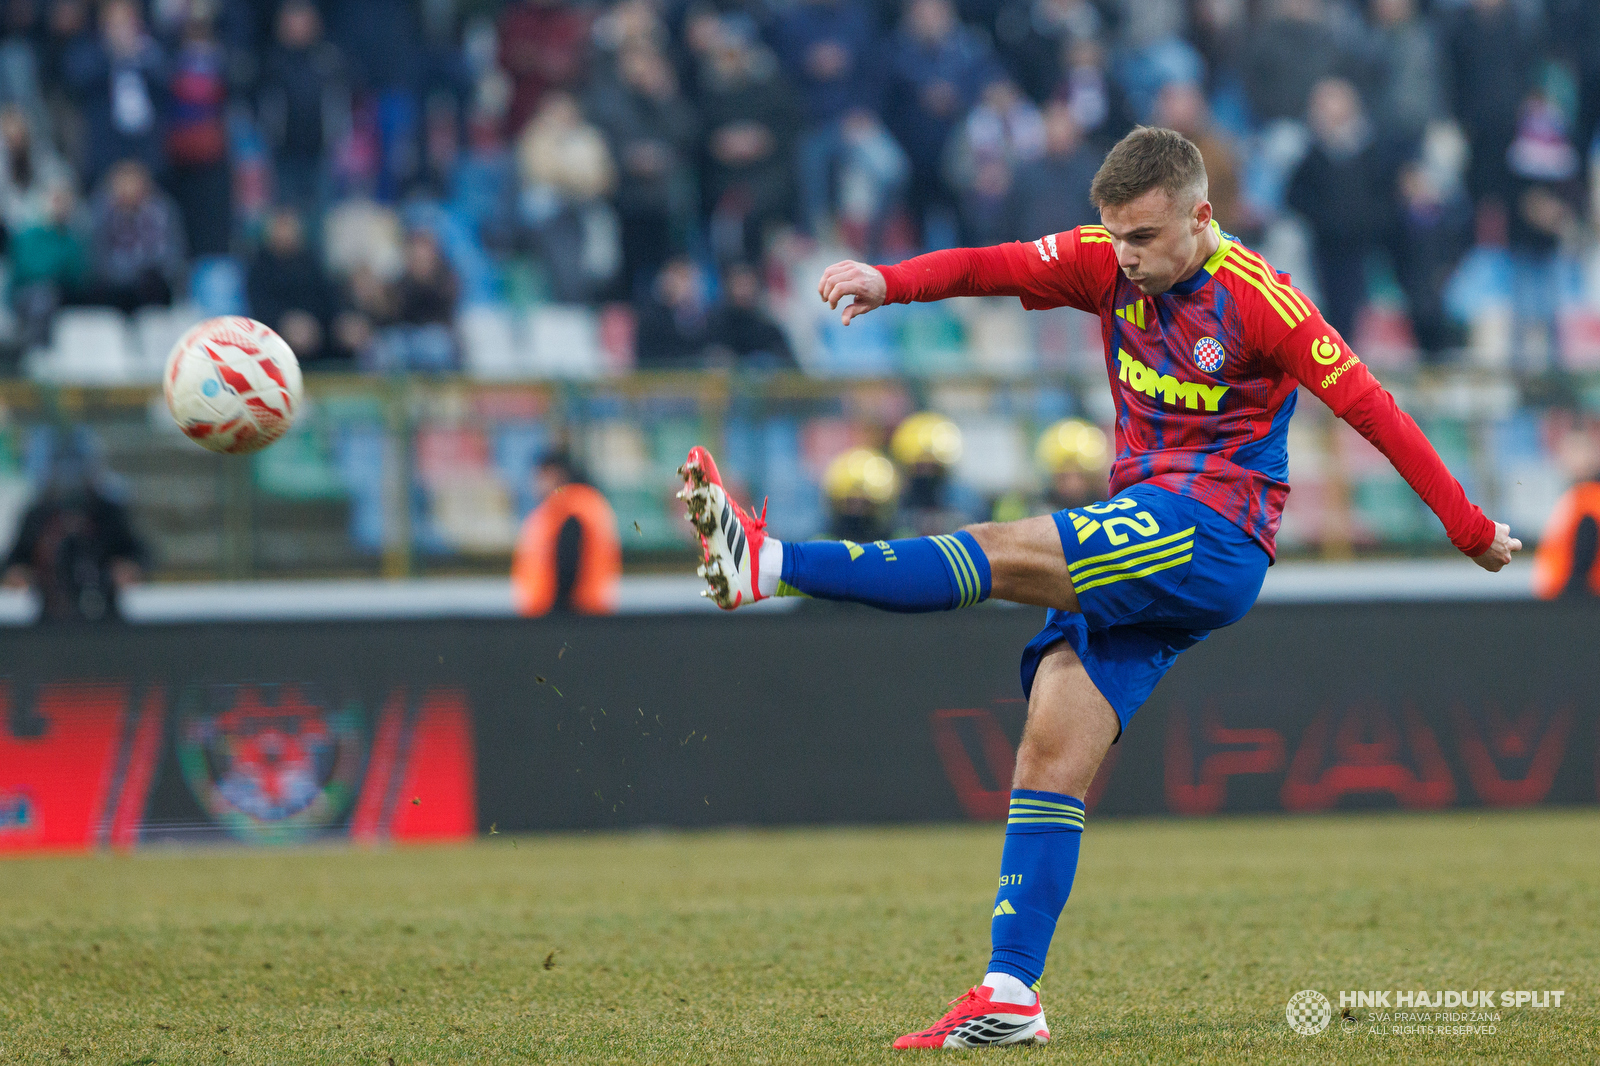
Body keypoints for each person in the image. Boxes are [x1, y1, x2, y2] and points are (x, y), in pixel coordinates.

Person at [677, 125, 1519, 1047]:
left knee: (999, 547)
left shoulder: (1262, 302)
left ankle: (773, 565)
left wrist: (1470, 531)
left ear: (1201, 217)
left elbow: (1375, 410)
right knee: (1050, 749)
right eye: (1113, 235)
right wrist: (890, 280)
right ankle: (1010, 996)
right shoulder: (1102, 264)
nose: (1125, 256)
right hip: (1147, 528)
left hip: (1213, 531)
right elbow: (985, 266)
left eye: (1145, 238)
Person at [4, 443, 146, 622]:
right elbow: (15, 559)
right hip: (49, 616)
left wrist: (129, 567)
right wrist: (17, 572)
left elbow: (141, 552)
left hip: (105, 614)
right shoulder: (37, 515)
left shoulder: (109, 513)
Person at [511, 451, 620, 616]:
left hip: (568, 616)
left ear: (555, 474)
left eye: (540, 477)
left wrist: (558, 613)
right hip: (586, 614)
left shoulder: (569, 509)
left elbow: (568, 564)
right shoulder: (584, 504)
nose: (534, 485)